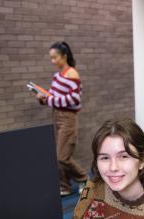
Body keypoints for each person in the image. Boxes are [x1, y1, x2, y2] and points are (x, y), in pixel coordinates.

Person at [36, 41, 88, 196]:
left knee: (62, 156)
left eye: (55, 57)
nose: (53, 61)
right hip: (57, 115)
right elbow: (53, 96)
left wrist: (50, 100)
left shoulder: (72, 73)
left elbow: (74, 99)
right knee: (57, 155)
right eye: (51, 58)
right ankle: (64, 186)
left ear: (64, 56)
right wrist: (42, 97)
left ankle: (84, 178)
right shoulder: (57, 76)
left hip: (67, 118)